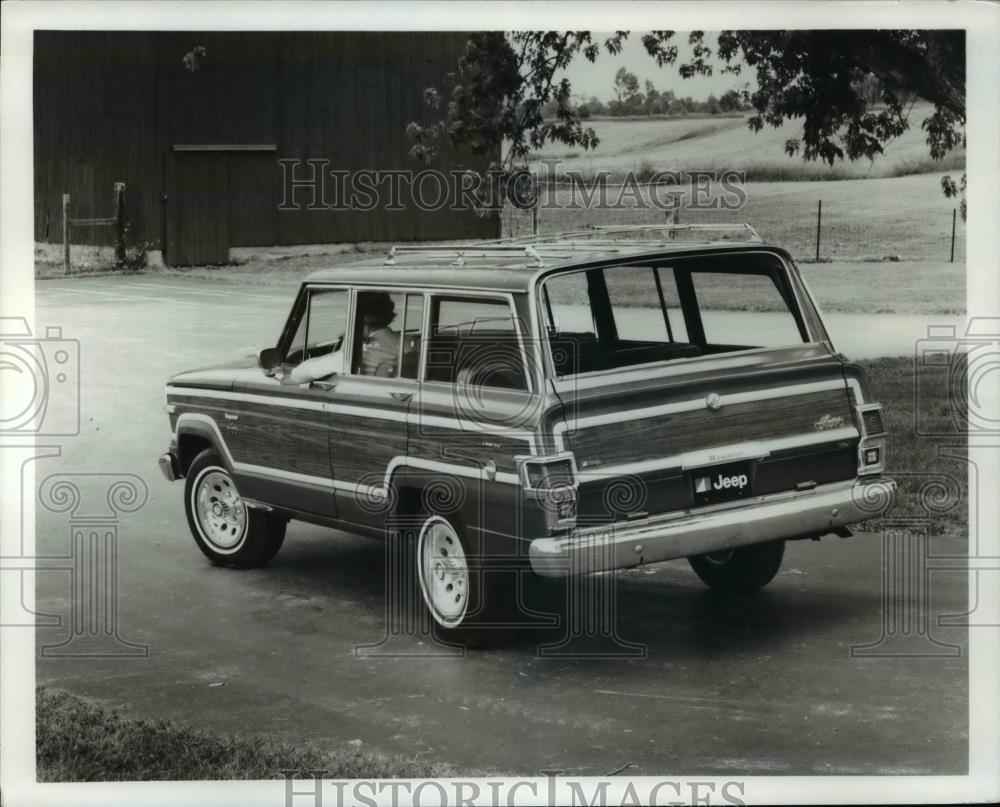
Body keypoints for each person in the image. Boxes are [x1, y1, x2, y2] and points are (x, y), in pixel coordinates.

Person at [287, 292, 400, 384]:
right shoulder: (406, 343)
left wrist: (347, 342)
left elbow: (297, 375)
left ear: (360, 316)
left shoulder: (358, 353)